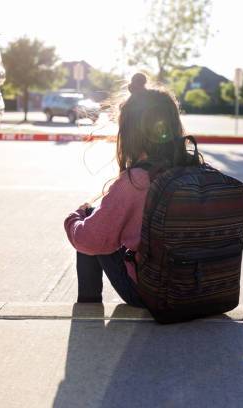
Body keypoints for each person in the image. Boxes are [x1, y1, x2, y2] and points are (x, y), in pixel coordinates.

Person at [64, 72, 203, 307]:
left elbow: (89, 240)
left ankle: (88, 308)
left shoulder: (136, 180)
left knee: (89, 224)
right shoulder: (195, 169)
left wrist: (74, 218)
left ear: (129, 132)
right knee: (104, 224)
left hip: (153, 293)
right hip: (201, 288)